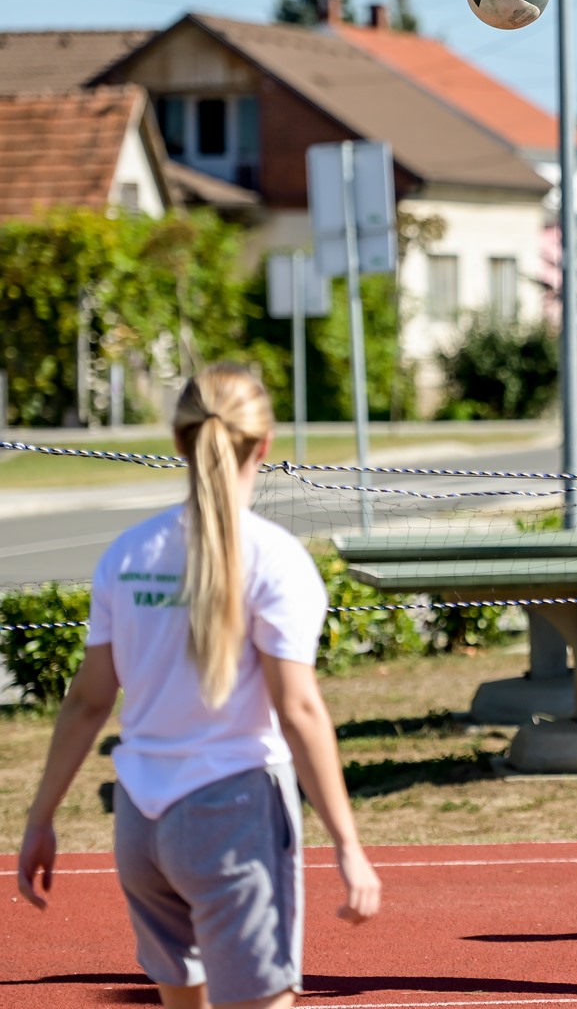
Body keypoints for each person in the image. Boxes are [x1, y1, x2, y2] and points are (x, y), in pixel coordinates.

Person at [17, 363, 380, 1009]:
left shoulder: (125, 554)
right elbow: (297, 708)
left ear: (179, 442)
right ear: (264, 445)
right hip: (231, 815)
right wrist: (349, 845)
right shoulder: (277, 559)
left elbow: (88, 700)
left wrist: (41, 816)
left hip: (140, 822)